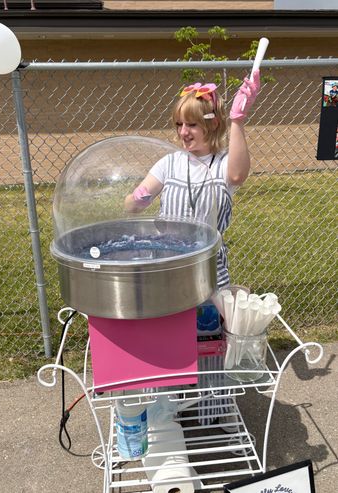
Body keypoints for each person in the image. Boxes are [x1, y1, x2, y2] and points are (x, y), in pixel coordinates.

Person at [125, 72, 261, 427]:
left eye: (193, 125)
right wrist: (136, 199)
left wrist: (237, 121)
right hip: (167, 269)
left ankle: (213, 409)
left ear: (211, 125)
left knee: (211, 340)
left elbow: (237, 176)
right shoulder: (169, 162)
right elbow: (135, 201)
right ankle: (169, 407)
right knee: (167, 337)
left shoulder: (223, 162)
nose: (183, 132)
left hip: (209, 270)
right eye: (179, 124)